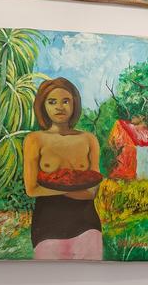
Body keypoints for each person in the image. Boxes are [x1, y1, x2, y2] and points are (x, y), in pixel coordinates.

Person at [23, 77, 103, 260]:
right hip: (47, 227)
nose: (59, 107)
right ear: (43, 105)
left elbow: (91, 192)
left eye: (65, 101)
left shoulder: (89, 139)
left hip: (87, 225)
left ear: (75, 104)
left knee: (91, 274)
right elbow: (32, 189)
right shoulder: (34, 140)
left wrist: (51, 184)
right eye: (52, 102)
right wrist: (74, 185)